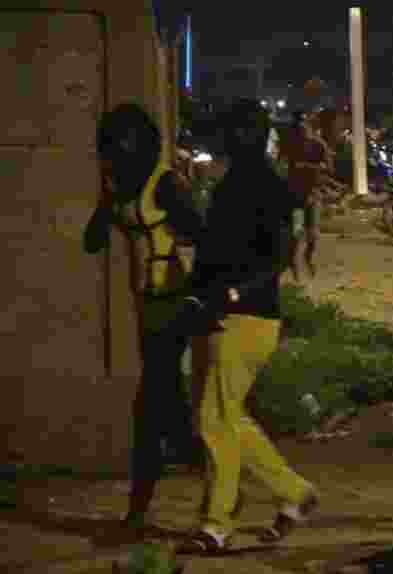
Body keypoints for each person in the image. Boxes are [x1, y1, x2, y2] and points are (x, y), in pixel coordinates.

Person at [179, 99, 318, 555]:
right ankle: (294, 492)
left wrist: (231, 293)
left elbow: (276, 259)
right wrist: (199, 297)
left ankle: (217, 523)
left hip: (246, 317)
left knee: (214, 419)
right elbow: (212, 255)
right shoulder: (230, 186)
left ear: (246, 136)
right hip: (222, 314)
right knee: (226, 416)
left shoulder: (263, 189)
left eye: (231, 132)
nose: (224, 139)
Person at [83, 103, 205, 533]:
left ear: (144, 144)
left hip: (174, 305)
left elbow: (200, 233)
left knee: (148, 405)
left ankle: (140, 505)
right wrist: (105, 201)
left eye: (124, 143)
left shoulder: (166, 184)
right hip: (146, 308)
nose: (117, 153)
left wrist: (198, 288)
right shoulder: (121, 187)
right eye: (112, 146)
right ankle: (199, 456)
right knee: (167, 399)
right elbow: (92, 242)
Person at [285, 111, 327, 281]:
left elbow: (326, 167)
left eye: (309, 126)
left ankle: (307, 259)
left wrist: (309, 166)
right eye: (304, 126)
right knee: (296, 232)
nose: (306, 129)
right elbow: (291, 167)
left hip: (313, 193)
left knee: (313, 235)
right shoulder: (293, 146)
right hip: (296, 195)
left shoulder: (319, 146)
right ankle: (294, 263)